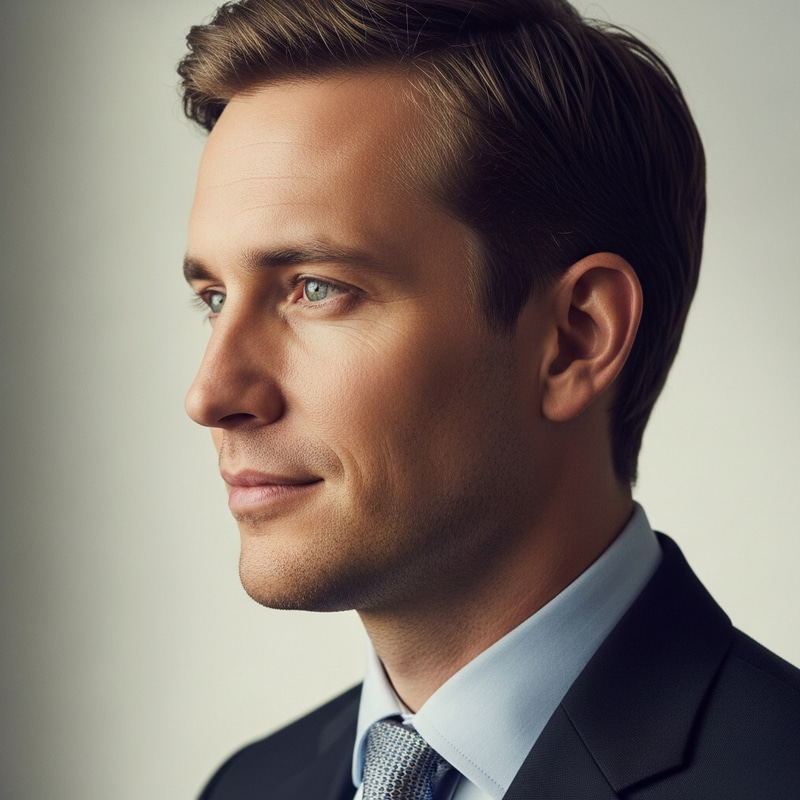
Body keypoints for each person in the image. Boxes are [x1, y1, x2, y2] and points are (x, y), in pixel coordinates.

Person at [177, 1, 800, 797]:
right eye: (212, 296)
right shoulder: (250, 787)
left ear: (575, 336)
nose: (210, 392)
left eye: (316, 288)